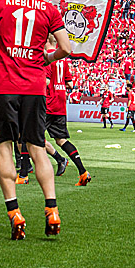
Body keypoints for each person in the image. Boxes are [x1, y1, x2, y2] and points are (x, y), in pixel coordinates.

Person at [0, 0, 72, 240]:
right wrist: (47, 58)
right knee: (38, 148)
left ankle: (15, 212)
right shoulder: (49, 10)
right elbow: (65, 48)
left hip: (4, 87)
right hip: (34, 88)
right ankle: (51, 209)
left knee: (4, 148)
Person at [41, 35, 89, 186]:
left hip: (48, 103)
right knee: (61, 140)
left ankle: (24, 174)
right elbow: (69, 84)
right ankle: (82, 171)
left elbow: (47, 82)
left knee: (30, 137)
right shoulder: (63, 59)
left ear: (46, 41)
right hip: (60, 103)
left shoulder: (49, 58)